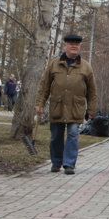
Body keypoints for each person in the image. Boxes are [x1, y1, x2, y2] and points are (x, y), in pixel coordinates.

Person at [35, 34, 98, 175]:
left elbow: (92, 91)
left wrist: (91, 109)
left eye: (77, 44)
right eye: (71, 44)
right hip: (57, 106)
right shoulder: (54, 64)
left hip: (76, 107)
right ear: (65, 46)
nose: (74, 46)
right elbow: (44, 86)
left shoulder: (86, 67)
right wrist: (40, 103)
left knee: (73, 134)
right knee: (56, 136)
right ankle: (56, 162)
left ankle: (69, 164)